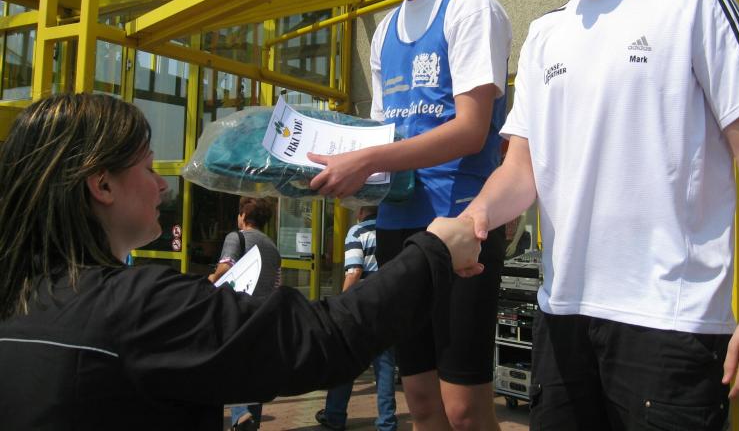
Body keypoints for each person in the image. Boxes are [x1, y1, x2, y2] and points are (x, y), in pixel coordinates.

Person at [441, 0, 739, 431]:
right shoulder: (545, 35)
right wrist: (474, 217)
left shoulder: (693, 3)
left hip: (671, 321)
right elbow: (521, 171)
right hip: (562, 314)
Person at [0, 93, 483, 431]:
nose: (162, 185)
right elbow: (322, 338)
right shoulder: (134, 308)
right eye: (147, 167)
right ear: (101, 185)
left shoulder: (17, 301)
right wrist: (433, 250)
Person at [307, 0, 512, 430]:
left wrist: (368, 161)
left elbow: (471, 131)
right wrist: (335, 167)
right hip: (398, 225)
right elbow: (381, 135)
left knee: (464, 406)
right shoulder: (384, 33)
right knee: (418, 398)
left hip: (461, 221)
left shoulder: (469, 7)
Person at [315, 206, 397, 431]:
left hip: (360, 306)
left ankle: (334, 415)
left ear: (361, 210)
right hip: (388, 304)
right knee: (385, 367)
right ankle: (387, 422)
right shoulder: (391, 231)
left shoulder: (357, 231)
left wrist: (340, 304)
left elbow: (354, 271)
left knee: (346, 359)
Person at [208, 196, 282, 430]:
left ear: (244, 216)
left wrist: (210, 279)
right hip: (262, 314)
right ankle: (250, 422)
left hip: (237, 311)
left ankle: (241, 414)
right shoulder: (272, 247)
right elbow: (277, 284)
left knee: (232, 364)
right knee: (253, 369)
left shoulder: (236, 237)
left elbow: (226, 266)